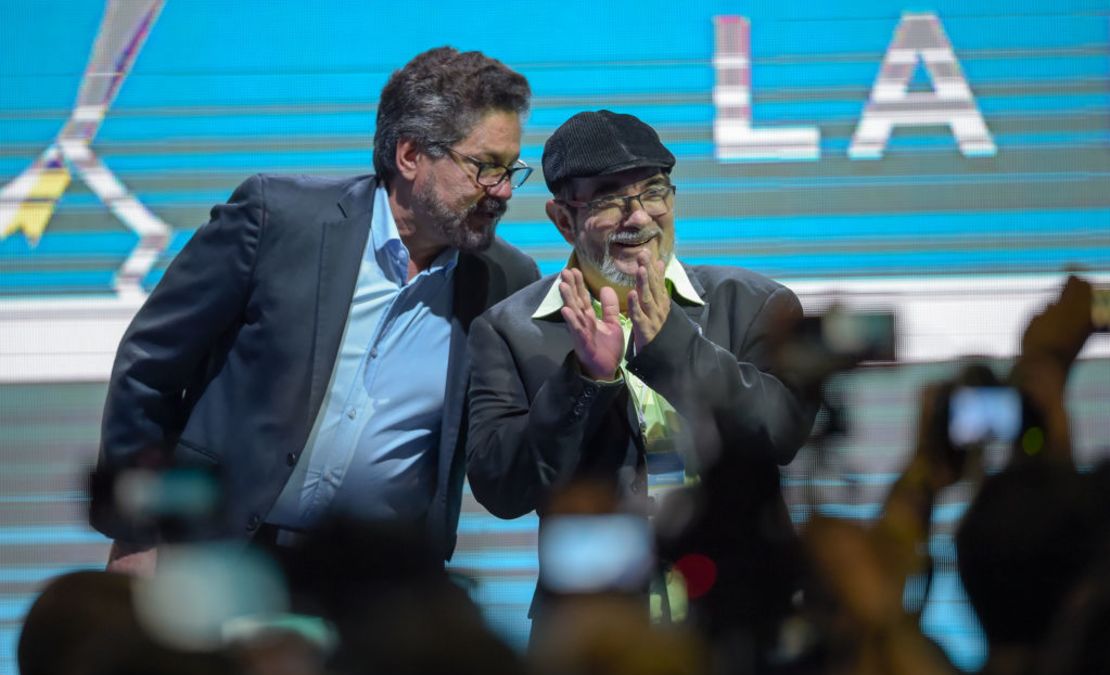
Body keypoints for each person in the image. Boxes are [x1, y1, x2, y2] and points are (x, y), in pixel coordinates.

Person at [93, 47, 540, 574]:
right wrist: (137, 528)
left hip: (377, 584)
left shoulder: (506, 282)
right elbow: (150, 367)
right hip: (217, 553)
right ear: (411, 155)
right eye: (484, 167)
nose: (504, 190)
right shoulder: (275, 220)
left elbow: (501, 456)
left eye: (512, 169)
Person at [465, 109, 815, 541]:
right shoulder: (508, 331)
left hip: (734, 599)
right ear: (562, 220)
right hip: (597, 603)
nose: (638, 218)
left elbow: (782, 434)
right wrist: (584, 380)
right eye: (608, 200)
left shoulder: (753, 304)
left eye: (654, 192)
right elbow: (502, 490)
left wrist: (674, 346)